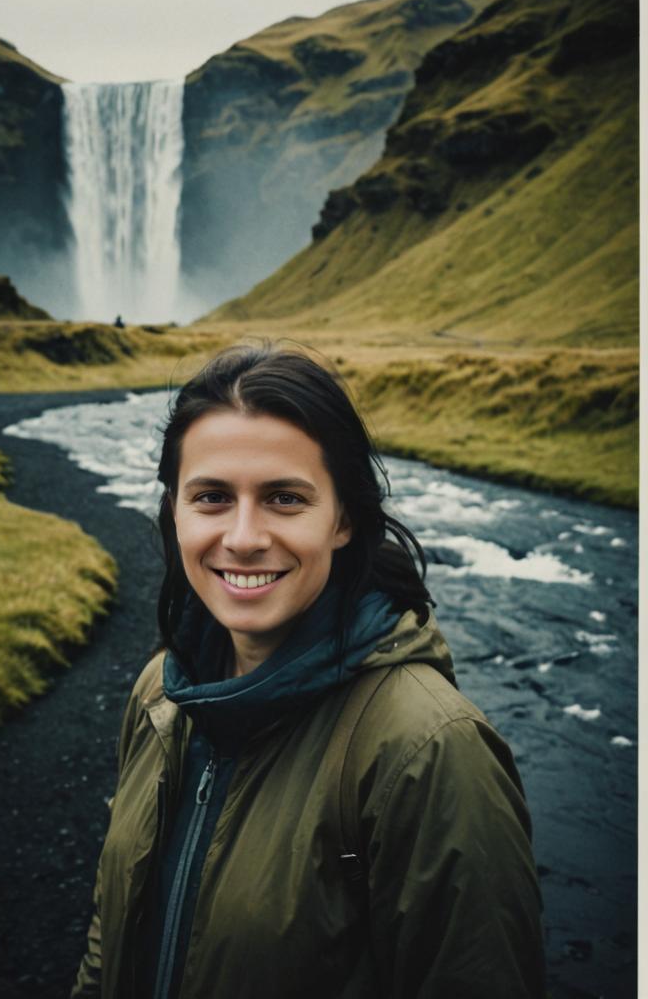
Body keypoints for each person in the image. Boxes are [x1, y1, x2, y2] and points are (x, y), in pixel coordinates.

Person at [72, 343, 546, 999]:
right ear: (173, 511)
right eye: (210, 497)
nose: (242, 536)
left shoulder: (430, 751)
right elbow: (111, 928)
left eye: (284, 499)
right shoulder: (161, 691)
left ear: (344, 519)